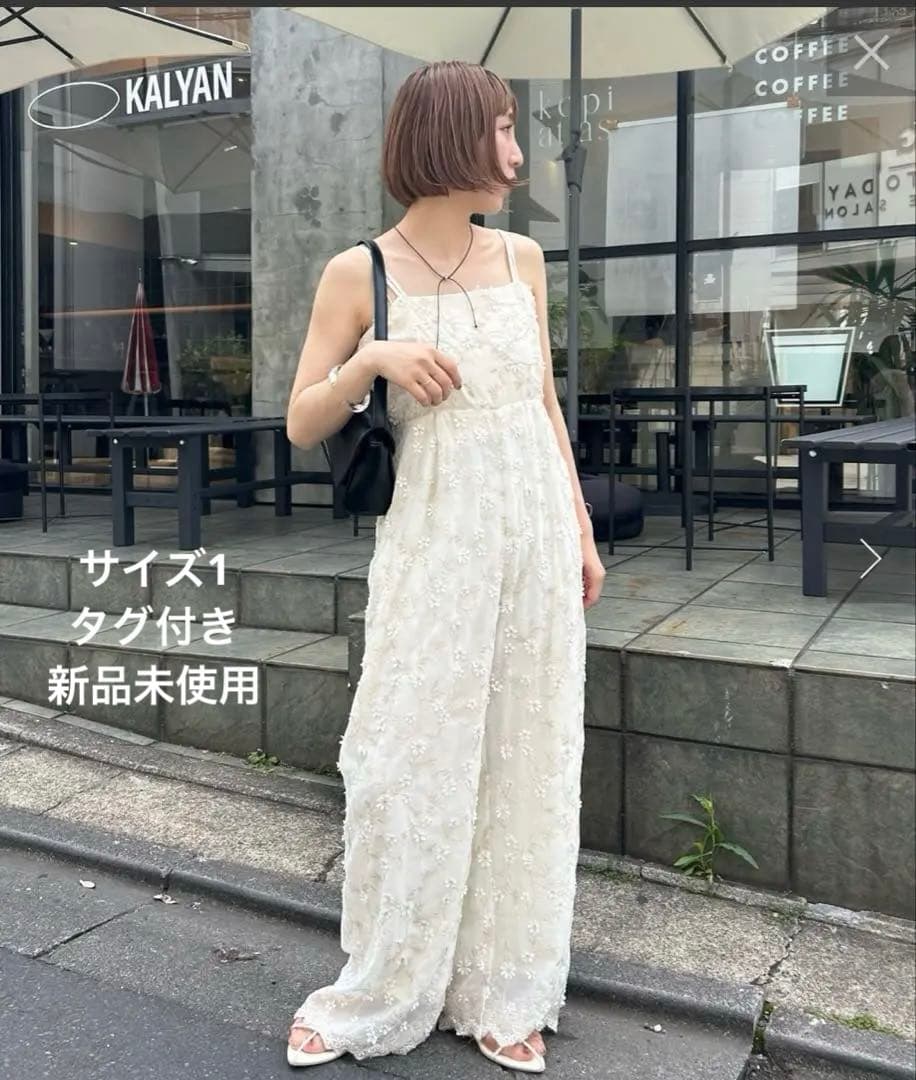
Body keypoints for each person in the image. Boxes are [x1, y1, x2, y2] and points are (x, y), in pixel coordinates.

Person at [284, 59, 606, 1074]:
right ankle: (382, 984)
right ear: (449, 139)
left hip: (532, 532)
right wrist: (371, 360)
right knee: (407, 755)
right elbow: (300, 421)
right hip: (433, 540)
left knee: (525, 749)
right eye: (502, 130)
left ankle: (506, 986)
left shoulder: (522, 259)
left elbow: (543, 402)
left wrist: (580, 527)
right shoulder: (357, 272)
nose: (517, 154)